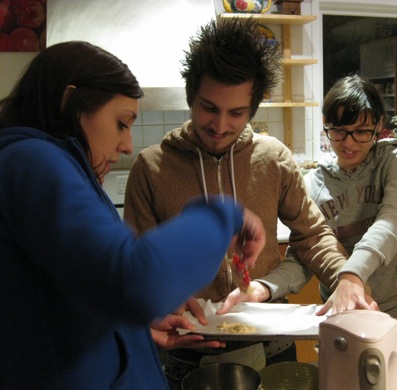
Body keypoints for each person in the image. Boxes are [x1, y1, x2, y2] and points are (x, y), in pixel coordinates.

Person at [0, 40, 266, 389]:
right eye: (122, 123)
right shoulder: (32, 160)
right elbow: (136, 280)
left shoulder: (37, 163)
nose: (127, 144)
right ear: (70, 102)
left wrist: (130, 328)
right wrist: (224, 215)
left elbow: (66, 297)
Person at [123, 17, 361, 388]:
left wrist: (347, 277)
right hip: (188, 349)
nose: (220, 125)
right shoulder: (151, 167)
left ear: (252, 109)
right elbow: (137, 268)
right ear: (191, 97)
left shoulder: (273, 159)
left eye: (236, 113)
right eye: (208, 108)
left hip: (271, 342)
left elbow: (312, 236)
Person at [306, 75, 397, 352]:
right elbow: (305, 250)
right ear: (326, 124)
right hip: (344, 311)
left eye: (361, 131)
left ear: (379, 125)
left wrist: (352, 274)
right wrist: (265, 287)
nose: (348, 143)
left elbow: (392, 220)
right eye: (338, 130)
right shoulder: (313, 184)